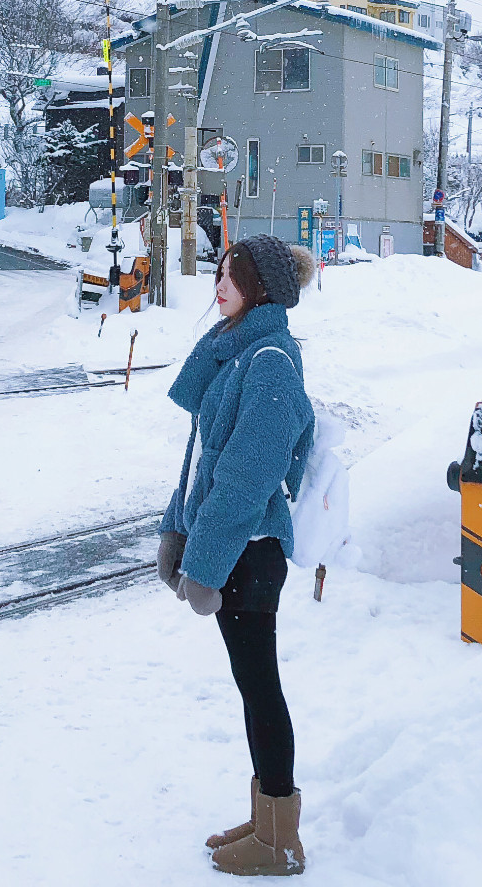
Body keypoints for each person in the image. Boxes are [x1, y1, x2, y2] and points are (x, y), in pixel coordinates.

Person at [158, 234, 317, 876]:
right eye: (220, 271)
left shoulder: (270, 360)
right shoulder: (238, 352)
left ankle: (280, 838)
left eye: (234, 274)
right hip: (233, 552)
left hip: (249, 555)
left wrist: (206, 563)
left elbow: (249, 476)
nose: (219, 283)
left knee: (262, 689)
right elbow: (203, 462)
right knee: (252, 688)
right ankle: (266, 818)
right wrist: (179, 531)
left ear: (262, 289)